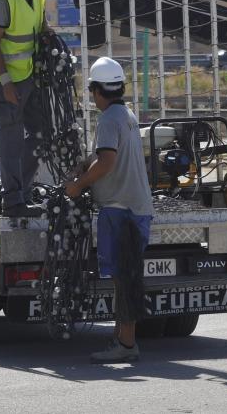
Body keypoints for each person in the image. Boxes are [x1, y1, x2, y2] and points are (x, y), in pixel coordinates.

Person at [65, 57, 154, 364]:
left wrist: (78, 186)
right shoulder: (126, 115)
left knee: (124, 278)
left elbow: (107, 163)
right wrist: (85, 164)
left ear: (97, 91)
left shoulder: (107, 120)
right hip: (135, 207)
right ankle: (121, 339)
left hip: (120, 210)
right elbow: (103, 156)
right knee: (125, 276)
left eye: (92, 91)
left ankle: (126, 345)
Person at [0, 0, 52, 218]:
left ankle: (22, 193)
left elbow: (40, 17)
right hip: (9, 82)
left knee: (41, 134)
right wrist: (6, 83)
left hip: (30, 75)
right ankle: (12, 202)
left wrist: (47, 31)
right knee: (12, 140)